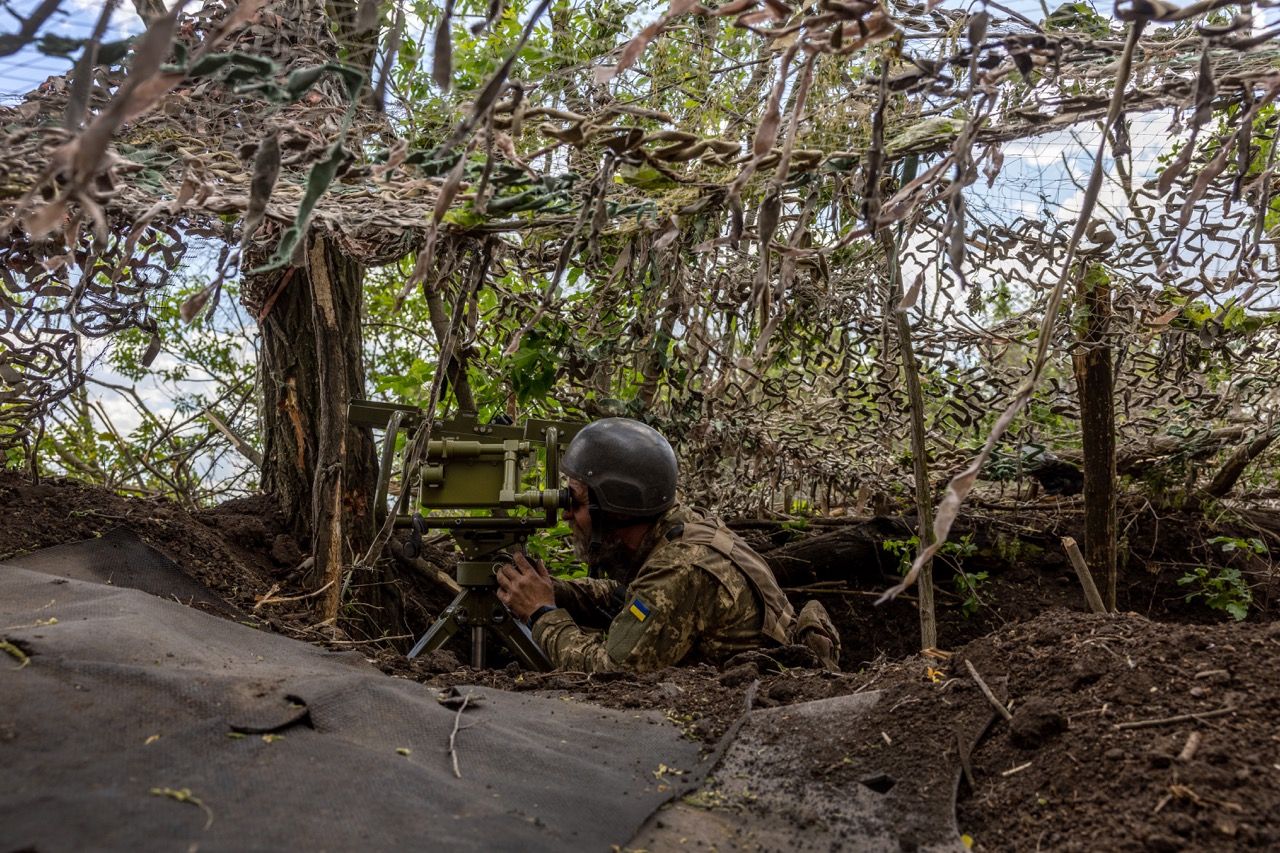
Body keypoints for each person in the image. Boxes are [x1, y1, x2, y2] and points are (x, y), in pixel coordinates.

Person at [495, 417, 840, 673]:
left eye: (577, 501)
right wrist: (555, 591)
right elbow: (626, 596)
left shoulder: (680, 568)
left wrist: (541, 612)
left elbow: (610, 669)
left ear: (615, 508)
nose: (566, 513)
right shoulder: (680, 525)